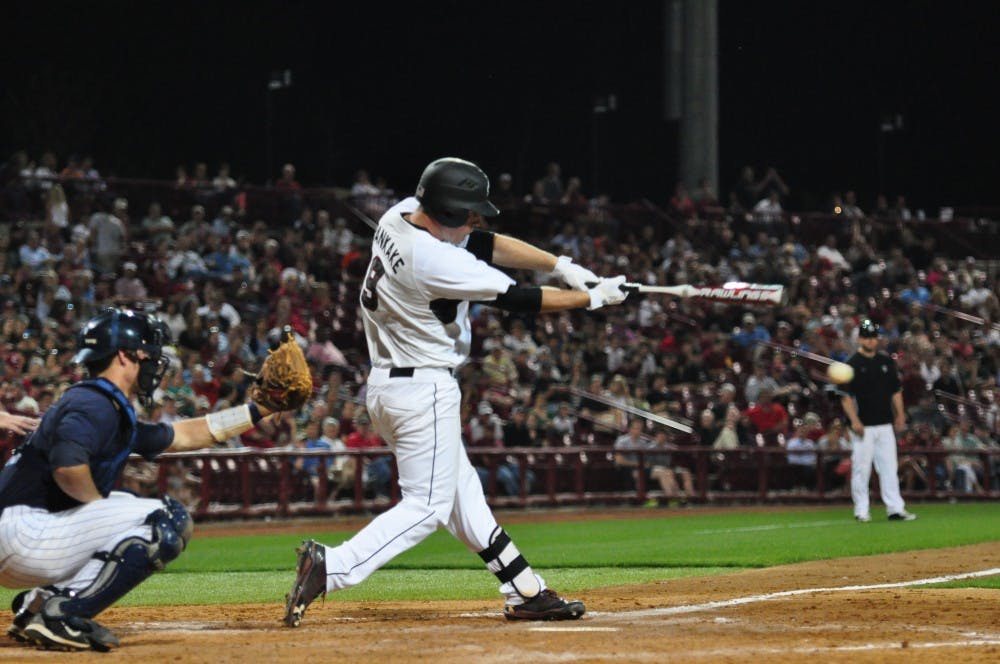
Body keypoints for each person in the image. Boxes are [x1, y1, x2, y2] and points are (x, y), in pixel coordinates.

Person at [284, 156, 628, 627]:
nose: (475, 221)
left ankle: (525, 590)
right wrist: (592, 298)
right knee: (427, 507)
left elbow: (484, 243)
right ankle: (333, 565)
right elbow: (518, 299)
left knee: (463, 497)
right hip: (422, 389)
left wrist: (562, 266)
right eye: (468, 213)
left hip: (388, 385)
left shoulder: (400, 215)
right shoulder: (435, 260)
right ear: (447, 211)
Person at [0, 308, 280, 651]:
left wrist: (260, 409)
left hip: (23, 534)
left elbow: (186, 434)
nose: (153, 363)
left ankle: (38, 607)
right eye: (146, 354)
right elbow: (68, 467)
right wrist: (97, 515)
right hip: (26, 534)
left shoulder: (102, 403)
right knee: (165, 519)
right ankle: (62, 613)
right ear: (123, 356)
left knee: (129, 505)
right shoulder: (95, 402)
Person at [841, 319, 916, 522]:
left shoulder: (885, 361)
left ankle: (895, 508)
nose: (870, 340)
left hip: (884, 423)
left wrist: (900, 414)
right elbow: (846, 397)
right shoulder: (851, 364)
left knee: (889, 467)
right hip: (863, 426)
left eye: (873, 337)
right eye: (867, 337)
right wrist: (854, 421)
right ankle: (861, 510)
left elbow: (895, 391)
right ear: (860, 339)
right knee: (861, 469)